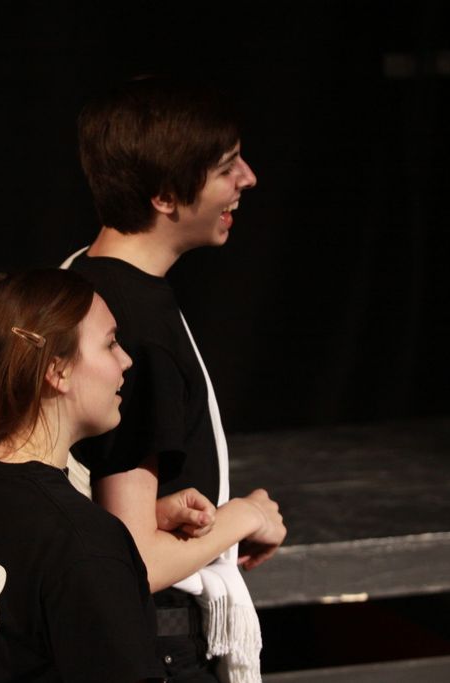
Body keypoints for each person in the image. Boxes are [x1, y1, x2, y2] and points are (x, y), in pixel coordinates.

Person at [64, 77, 287, 682]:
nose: (247, 179)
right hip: (155, 645)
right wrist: (244, 517)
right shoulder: (134, 330)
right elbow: (133, 559)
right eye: (226, 167)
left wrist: (163, 512)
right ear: (165, 196)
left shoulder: (79, 278)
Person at [0, 269, 215, 682]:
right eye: (110, 343)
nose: (126, 360)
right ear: (57, 371)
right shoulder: (82, 545)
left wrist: (146, 521)